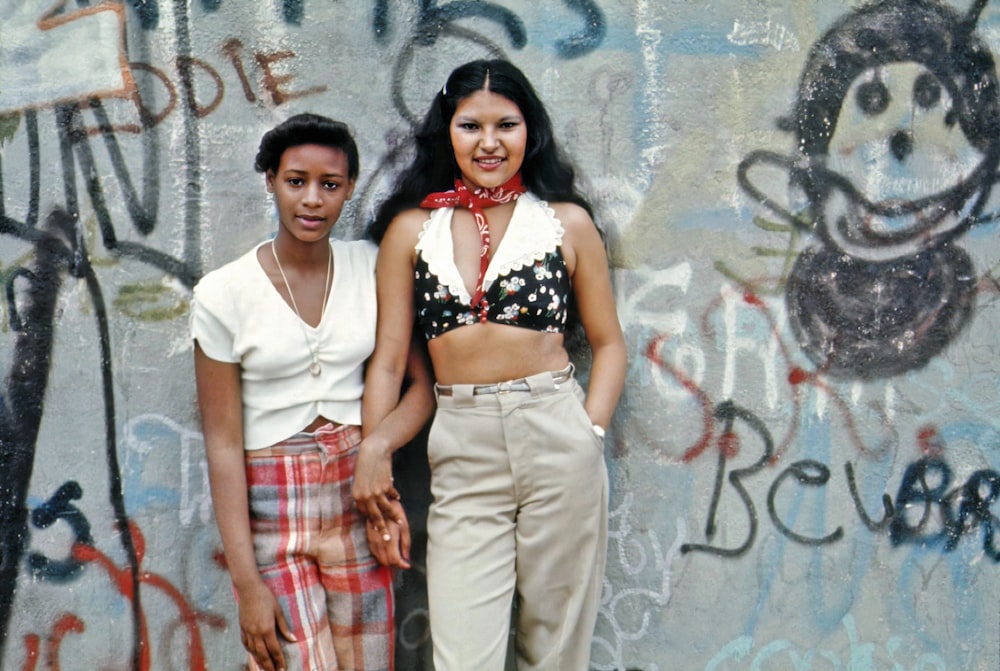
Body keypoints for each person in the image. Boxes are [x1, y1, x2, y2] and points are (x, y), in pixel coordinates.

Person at [358, 60, 627, 670]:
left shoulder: (566, 223)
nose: (489, 142)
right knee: (462, 655)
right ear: (446, 133)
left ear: (529, 131)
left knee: (554, 649)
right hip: (462, 447)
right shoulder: (411, 230)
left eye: (506, 124)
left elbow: (609, 344)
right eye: (470, 125)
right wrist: (374, 456)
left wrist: (591, 433)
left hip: (558, 435)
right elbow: (389, 362)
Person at [190, 113, 433, 671]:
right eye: (296, 181)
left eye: (330, 184)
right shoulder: (223, 294)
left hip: (359, 497)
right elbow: (223, 445)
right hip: (273, 508)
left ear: (348, 188)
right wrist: (247, 583)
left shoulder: (372, 266)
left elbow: (422, 387)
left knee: (368, 662)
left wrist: (377, 451)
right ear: (270, 180)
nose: (313, 200)